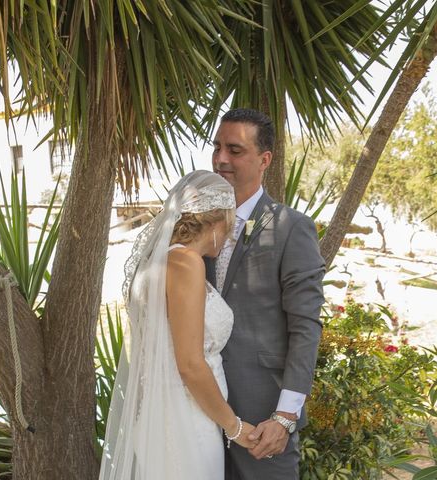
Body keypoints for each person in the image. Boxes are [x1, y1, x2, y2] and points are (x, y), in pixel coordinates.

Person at [99, 170, 257, 480]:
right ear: (214, 222)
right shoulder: (186, 264)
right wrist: (234, 426)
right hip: (186, 418)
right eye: (230, 223)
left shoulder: (156, 263)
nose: (230, 236)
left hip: (163, 413)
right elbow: (190, 364)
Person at [208, 108, 326, 479]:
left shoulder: (291, 228)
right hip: (201, 413)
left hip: (263, 422)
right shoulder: (197, 226)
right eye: (217, 147)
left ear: (265, 160)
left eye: (235, 150)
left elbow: (305, 328)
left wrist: (285, 416)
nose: (221, 159)